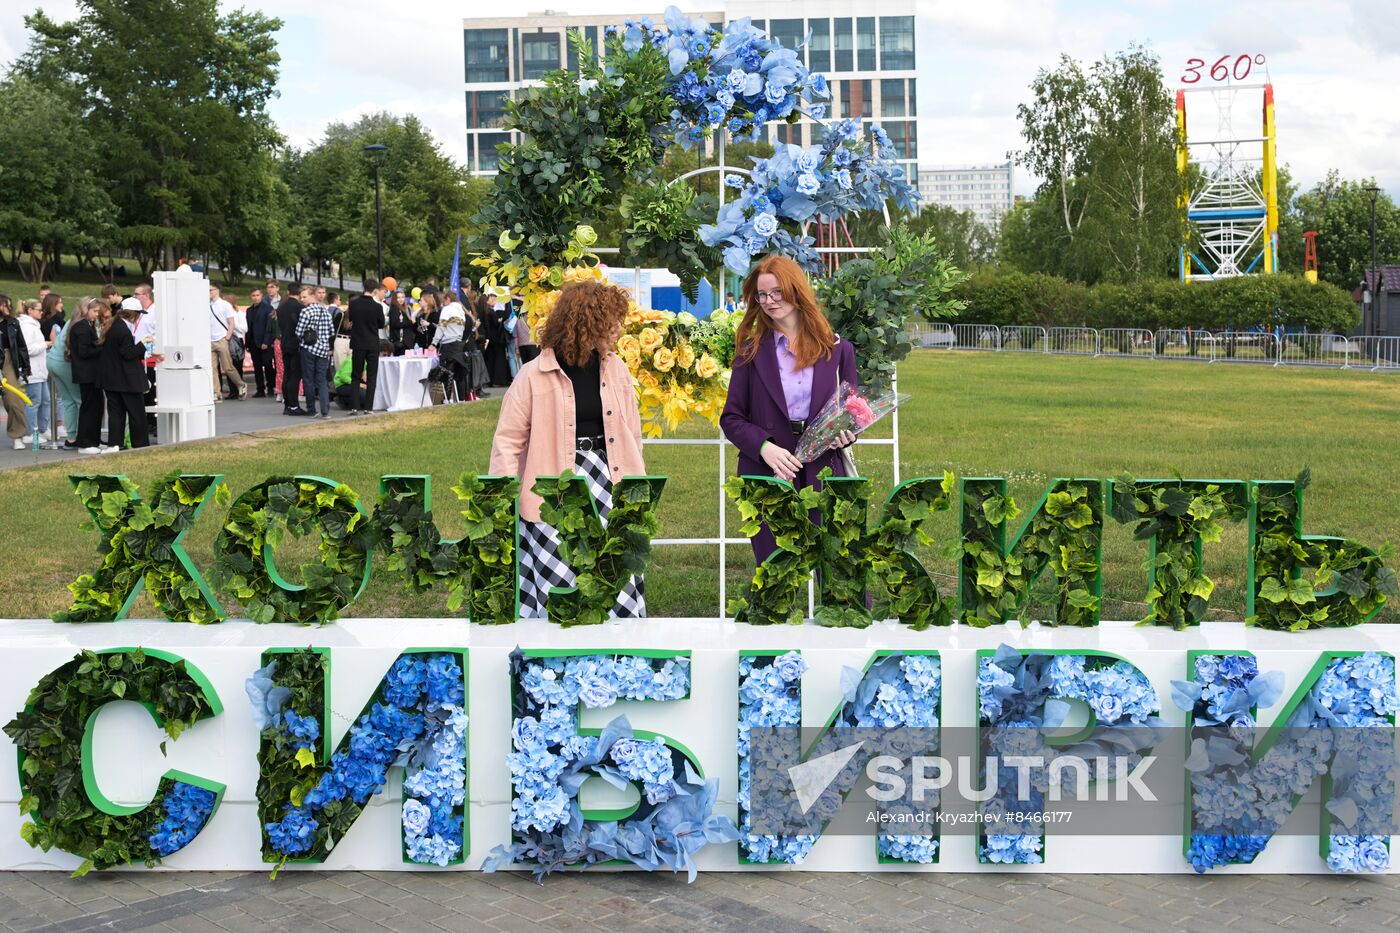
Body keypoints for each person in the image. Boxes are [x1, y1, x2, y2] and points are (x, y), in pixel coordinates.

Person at [488, 280, 646, 619]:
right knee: (560, 579)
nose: (619, 329)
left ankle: (619, 644)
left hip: (609, 481)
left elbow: (633, 432)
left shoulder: (616, 368)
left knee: (613, 572)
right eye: (612, 321)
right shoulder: (533, 375)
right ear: (588, 322)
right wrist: (500, 502)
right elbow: (508, 441)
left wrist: (637, 486)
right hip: (552, 488)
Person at [720, 254, 858, 564]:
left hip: (824, 469)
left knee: (834, 571)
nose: (769, 301)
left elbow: (852, 411)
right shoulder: (750, 351)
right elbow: (731, 418)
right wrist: (764, 448)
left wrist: (847, 433)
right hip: (767, 473)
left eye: (776, 292)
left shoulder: (838, 350)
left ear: (796, 290)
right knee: (776, 573)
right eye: (762, 294)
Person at [98, 300, 153, 449]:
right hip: (127, 380)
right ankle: (140, 444)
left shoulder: (114, 325)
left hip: (112, 379)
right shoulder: (123, 329)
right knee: (137, 414)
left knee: (116, 414)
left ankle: (115, 444)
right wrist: (143, 344)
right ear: (133, 314)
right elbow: (127, 354)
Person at [47, 297, 89, 449]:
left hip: (52, 360)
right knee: (79, 400)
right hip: (63, 363)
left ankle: (71, 438)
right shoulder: (81, 324)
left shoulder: (72, 321)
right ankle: (85, 437)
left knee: (68, 401)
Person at [346, 278, 386, 415]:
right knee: (372, 375)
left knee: (356, 375)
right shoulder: (377, 306)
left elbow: (351, 319)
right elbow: (381, 324)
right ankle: (368, 407)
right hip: (372, 343)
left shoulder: (354, 303)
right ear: (375, 290)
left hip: (358, 343)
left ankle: (354, 407)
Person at [296, 285, 334, 419]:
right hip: (323, 350)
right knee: (322, 381)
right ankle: (325, 410)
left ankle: (311, 409)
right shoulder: (326, 312)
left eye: (304, 297)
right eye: (301, 297)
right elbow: (331, 332)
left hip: (308, 348)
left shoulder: (305, 312)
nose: (302, 299)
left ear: (312, 296)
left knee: (308, 380)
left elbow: (298, 332)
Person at [0, 295, 32, 449]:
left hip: (7, 361)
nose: (9, 307)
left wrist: (25, 368)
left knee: (13, 400)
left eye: (10, 304)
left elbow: (21, 346)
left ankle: (17, 434)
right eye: (5, 304)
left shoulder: (13, 323)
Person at [17, 300, 50, 445]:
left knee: (45, 400)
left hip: (40, 370)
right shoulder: (26, 326)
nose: (41, 312)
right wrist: (45, 344)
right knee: (33, 402)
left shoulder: (34, 325)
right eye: (39, 310)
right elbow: (27, 349)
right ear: (30, 310)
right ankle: (30, 433)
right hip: (32, 371)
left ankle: (43, 429)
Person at [208, 284, 246, 401]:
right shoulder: (207, 305)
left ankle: (241, 384)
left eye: (211, 290)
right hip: (210, 340)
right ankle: (216, 392)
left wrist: (227, 337)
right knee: (212, 368)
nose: (209, 292)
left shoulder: (225, 305)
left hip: (222, 339)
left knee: (228, 367)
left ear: (217, 290)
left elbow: (231, 323)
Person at [432, 294, 473, 402]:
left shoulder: (447, 309)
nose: (443, 303)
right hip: (458, 343)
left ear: (448, 299)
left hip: (448, 344)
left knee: (447, 372)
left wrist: (434, 343)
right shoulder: (461, 311)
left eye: (444, 300)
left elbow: (441, 326)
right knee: (458, 372)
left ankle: (446, 398)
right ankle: (460, 398)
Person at [277, 281, 307, 415]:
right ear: (299, 293)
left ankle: (287, 405)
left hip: (284, 342)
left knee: (287, 374)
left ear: (288, 292)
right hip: (296, 344)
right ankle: (294, 406)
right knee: (295, 376)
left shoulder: (281, 307)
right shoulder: (300, 308)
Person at [247, 286, 276, 397]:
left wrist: (266, 342)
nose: (256, 297)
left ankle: (270, 387)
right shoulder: (249, 310)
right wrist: (247, 343)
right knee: (257, 367)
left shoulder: (268, 308)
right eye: (253, 295)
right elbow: (249, 327)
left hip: (265, 342)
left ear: (261, 296)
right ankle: (260, 389)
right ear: (250, 297)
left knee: (268, 365)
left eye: (258, 295)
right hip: (253, 342)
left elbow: (270, 327)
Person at [387, 290, 412, 355]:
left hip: (406, 341)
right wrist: (411, 322)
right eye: (398, 297)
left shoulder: (406, 308)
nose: (401, 299)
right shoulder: (394, 308)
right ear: (395, 299)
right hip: (400, 342)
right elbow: (395, 324)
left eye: (402, 297)